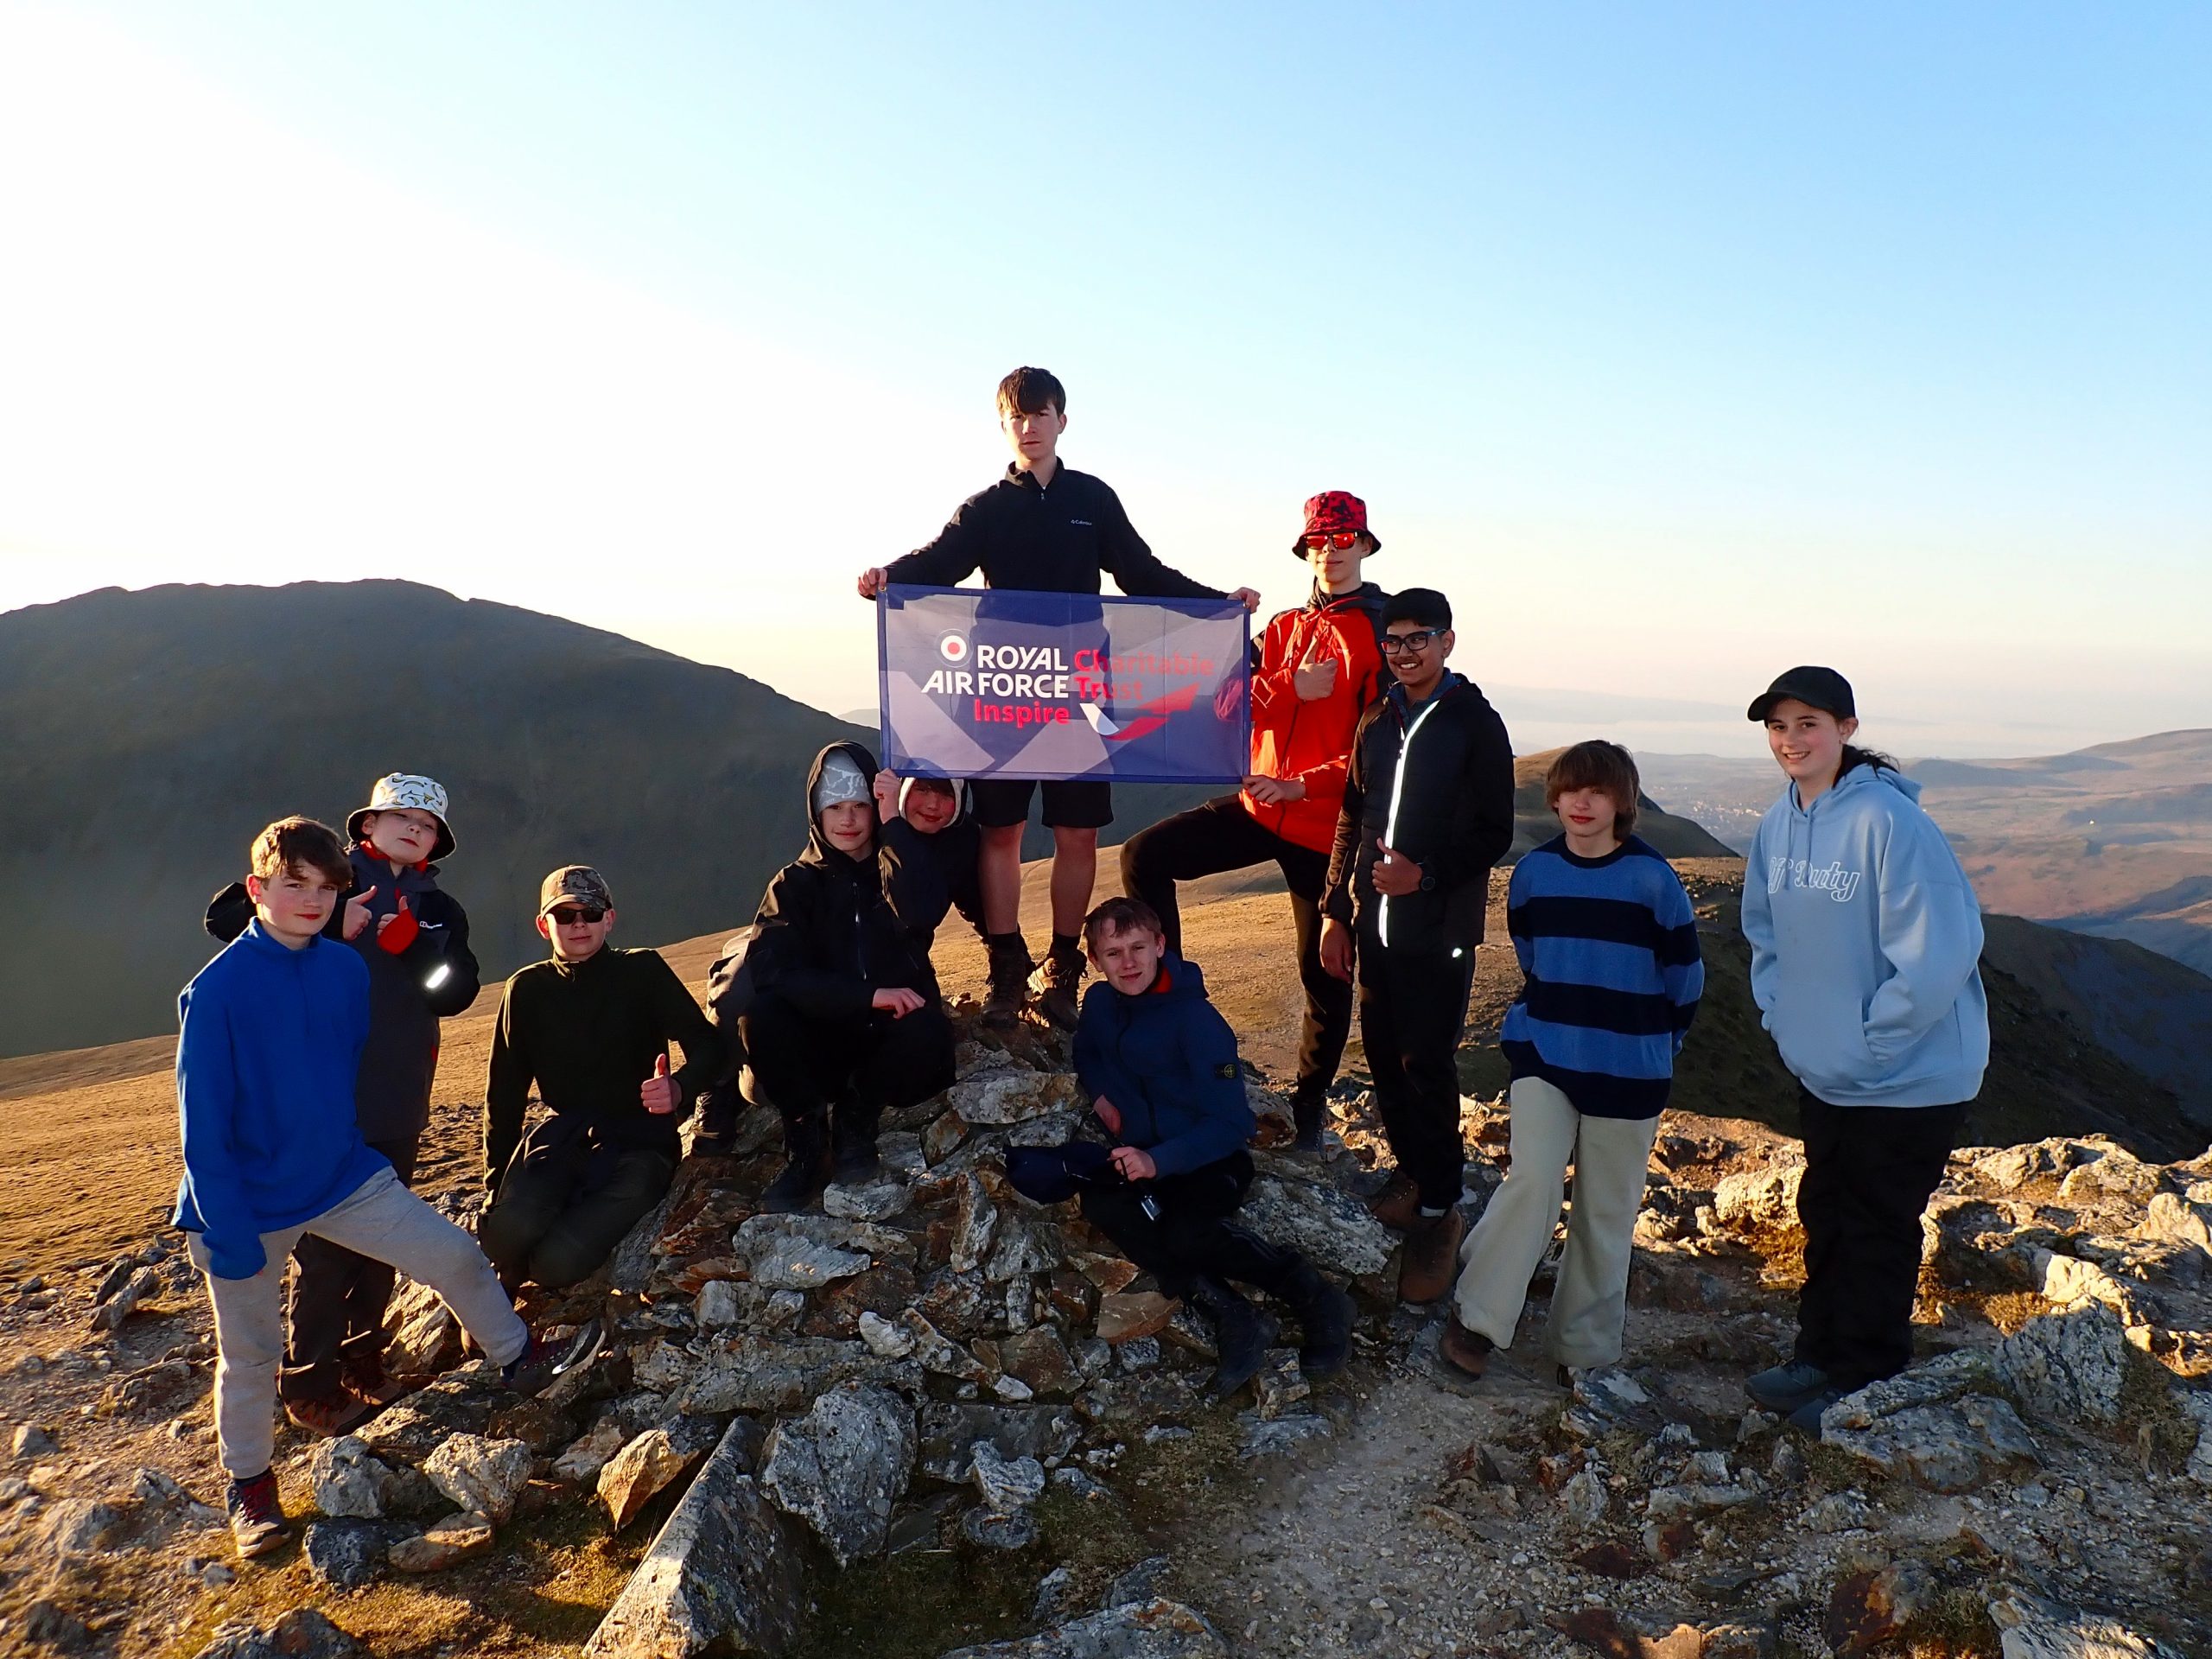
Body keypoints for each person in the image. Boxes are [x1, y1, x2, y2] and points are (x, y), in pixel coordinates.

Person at [177, 817, 592, 1560]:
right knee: (250, 1353)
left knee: (454, 1255)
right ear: (257, 890)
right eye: (293, 885)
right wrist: (226, 1226)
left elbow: (345, 1067)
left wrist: (348, 1152)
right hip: (244, 1200)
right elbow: (202, 1123)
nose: (311, 900)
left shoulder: (344, 971)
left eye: (324, 887)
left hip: (342, 1175)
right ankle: (251, 1488)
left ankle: (520, 1358)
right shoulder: (215, 992)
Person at [855, 365, 1262, 1028]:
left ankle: (1064, 967)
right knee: (1001, 832)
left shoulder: (1092, 500)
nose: (1028, 426)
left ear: (1061, 421)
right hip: (1004, 684)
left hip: (1083, 685)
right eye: (1016, 417)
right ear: (1003, 426)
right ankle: (1006, 967)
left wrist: (1219, 605)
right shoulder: (986, 508)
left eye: (1039, 414)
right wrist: (887, 577)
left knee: (1077, 832)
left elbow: (1141, 573)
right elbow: (937, 563)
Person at [1737, 668, 1988, 1430]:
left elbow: (1941, 950)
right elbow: (1764, 933)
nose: (1791, 741)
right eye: (1778, 727)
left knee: (1878, 1226)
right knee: (1827, 1215)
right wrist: (1783, 1019)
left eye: (1807, 724)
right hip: (1827, 1071)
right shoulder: (1778, 824)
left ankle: (1865, 1379)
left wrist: (1874, 1040)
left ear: (1845, 728)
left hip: (1910, 1077)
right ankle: (1818, 1355)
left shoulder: (1889, 821)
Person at [202, 772, 480, 1433]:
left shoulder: (441, 909)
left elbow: (456, 992)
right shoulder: (324, 876)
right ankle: (310, 1384)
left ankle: (364, 1358)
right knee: (325, 1252)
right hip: (322, 1100)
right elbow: (225, 919)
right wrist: (331, 916)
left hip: (399, 1094)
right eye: (401, 816)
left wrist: (415, 948)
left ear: (436, 841)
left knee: (386, 1242)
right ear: (368, 824)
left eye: (427, 824)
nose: (414, 828)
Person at [1119, 492, 1389, 1152]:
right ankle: (1171, 1004)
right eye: (1319, 541)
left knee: (1324, 972)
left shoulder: (1380, 634)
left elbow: (1379, 751)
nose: (1330, 551)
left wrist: (1303, 783)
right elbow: (1227, 705)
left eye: (1343, 538)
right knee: (1143, 857)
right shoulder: (1283, 626)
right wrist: (1289, 688)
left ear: (1364, 545)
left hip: (1325, 829)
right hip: (1258, 807)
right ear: (1306, 550)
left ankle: (1309, 1111)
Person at [1440, 741, 1704, 1382]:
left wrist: (1654, 1044)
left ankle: (1581, 1349)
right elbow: (1532, 954)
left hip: (1631, 1067)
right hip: (1547, 1050)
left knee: (1604, 1213)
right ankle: (1478, 1318)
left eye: (1598, 792)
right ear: (1554, 799)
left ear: (1623, 802)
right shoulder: (1533, 873)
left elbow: (1685, 978)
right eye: (1570, 791)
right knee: (1533, 1181)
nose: (1582, 803)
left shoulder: (1653, 880)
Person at [1071, 896, 1354, 1397]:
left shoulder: (1197, 1022)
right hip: (1143, 1153)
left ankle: (1312, 1293)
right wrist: (1101, 1096)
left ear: (1161, 945)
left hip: (1210, 1158)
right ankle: (1232, 1313)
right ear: (1095, 960)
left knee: (1186, 1232)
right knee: (1101, 1203)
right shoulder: (1098, 1004)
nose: (1129, 963)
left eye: (1139, 948)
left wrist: (1158, 1160)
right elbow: (1087, 1051)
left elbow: (1230, 1124)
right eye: (1113, 953)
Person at [1320, 588, 1516, 1304]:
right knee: (1382, 1058)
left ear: (1447, 642)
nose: (1405, 653)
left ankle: (1441, 1208)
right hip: (1374, 927)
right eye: (1394, 642)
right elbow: (1352, 816)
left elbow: (1495, 832)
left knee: (1425, 1064)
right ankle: (1415, 1176)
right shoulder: (1377, 717)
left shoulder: (1474, 722)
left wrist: (1422, 876)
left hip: (1439, 933)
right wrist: (1334, 910)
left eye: (1418, 639)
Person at [479, 866, 728, 1289]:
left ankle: (532, 1263)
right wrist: (497, 1185)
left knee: (556, 1266)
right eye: (565, 915)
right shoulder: (525, 989)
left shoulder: (643, 971)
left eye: (591, 913)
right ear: (544, 925)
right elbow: (504, 1096)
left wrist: (679, 1088)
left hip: (641, 1144)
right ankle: (510, 1258)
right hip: (563, 1138)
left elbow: (709, 1046)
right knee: (502, 1236)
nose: (579, 924)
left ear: (609, 919)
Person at [740, 743, 957, 1211]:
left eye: (860, 805)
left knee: (930, 1030)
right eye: (835, 807)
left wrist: (894, 822)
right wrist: (865, 995)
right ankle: (806, 1139)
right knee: (762, 1016)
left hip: (888, 1038)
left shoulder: (899, 866)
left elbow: (922, 911)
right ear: (816, 811)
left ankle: (857, 1117)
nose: (849, 820)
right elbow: (774, 971)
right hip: (823, 1036)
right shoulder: (793, 883)